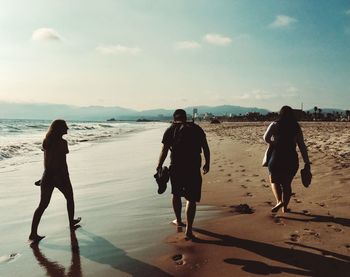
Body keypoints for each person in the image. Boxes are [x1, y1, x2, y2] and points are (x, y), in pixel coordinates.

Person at [157, 109, 210, 239]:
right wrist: (207, 163)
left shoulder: (170, 130)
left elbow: (164, 150)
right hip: (193, 167)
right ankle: (189, 230)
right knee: (191, 198)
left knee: (176, 194)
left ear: (174, 118)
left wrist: (159, 165)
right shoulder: (196, 129)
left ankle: (179, 220)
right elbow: (205, 148)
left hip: (176, 167)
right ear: (186, 118)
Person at [29, 119, 81, 243]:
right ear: (59, 129)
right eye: (65, 127)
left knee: (42, 205)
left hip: (48, 175)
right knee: (70, 198)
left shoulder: (46, 141)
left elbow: (48, 161)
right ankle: (71, 222)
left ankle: (33, 233)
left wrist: (43, 178)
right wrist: (65, 176)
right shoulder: (63, 143)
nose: (67, 128)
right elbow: (61, 162)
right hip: (60, 176)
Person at [263, 106, 311, 213]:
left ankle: (279, 201)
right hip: (291, 158)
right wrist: (307, 161)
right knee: (286, 183)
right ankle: (285, 208)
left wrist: (273, 142)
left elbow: (265, 138)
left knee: (274, 181)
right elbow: (302, 145)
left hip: (276, 157)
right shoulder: (296, 127)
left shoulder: (275, 124)